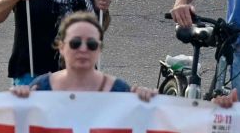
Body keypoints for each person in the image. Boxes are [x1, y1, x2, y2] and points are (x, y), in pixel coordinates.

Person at [9, 11, 156, 100]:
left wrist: (145, 101)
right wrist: (19, 99)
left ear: (99, 49)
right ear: (61, 47)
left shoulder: (119, 90)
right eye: (75, 43)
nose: (83, 49)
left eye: (91, 44)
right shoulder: (41, 88)